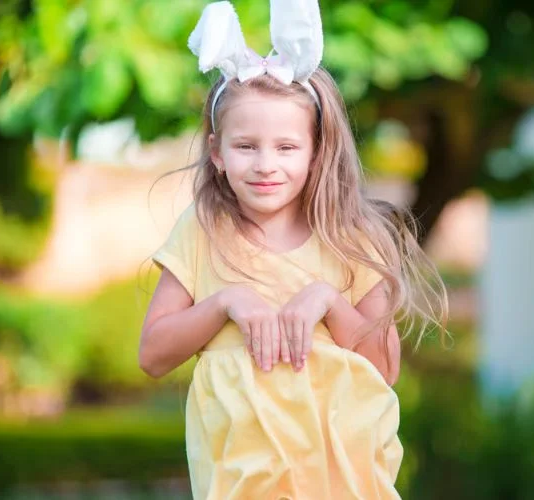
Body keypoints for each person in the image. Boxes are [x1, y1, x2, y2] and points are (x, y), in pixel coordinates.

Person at [138, 1, 447, 498]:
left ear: (316, 150)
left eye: (285, 147)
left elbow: (384, 370)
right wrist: (225, 303)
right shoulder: (203, 230)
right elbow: (152, 355)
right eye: (246, 146)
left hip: (340, 481)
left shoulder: (351, 237)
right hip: (243, 483)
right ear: (217, 152)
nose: (265, 164)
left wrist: (328, 298)